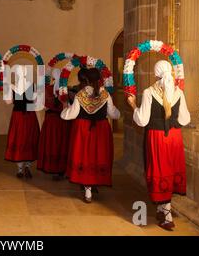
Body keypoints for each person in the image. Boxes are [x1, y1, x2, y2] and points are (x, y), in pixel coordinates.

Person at [127, 60, 190, 231]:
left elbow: (142, 120)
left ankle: (167, 214)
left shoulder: (149, 92)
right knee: (170, 169)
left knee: (160, 170)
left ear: (156, 74)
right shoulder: (178, 92)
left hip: (157, 137)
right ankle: (163, 209)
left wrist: (133, 105)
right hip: (174, 136)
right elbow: (185, 119)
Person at [61, 68, 120, 203]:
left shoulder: (80, 94)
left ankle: (88, 192)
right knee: (98, 156)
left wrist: (64, 109)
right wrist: (118, 113)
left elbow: (72, 114)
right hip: (101, 130)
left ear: (86, 79)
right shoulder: (105, 94)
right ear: (99, 79)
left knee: (86, 157)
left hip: (84, 130)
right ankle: (94, 184)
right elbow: (114, 114)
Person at [4, 65, 40, 179]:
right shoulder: (33, 86)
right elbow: (35, 102)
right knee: (29, 138)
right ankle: (27, 167)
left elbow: (8, 102)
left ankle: (20, 169)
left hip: (19, 115)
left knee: (20, 139)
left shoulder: (12, 86)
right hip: (29, 115)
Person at [37, 68, 70, 180]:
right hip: (62, 120)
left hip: (51, 121)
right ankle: (62, 168)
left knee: (52, 143)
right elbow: (67, 107)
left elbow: (44, 107)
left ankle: (52, 167)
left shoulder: (48, 89)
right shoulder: (65, 90)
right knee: (61, 143)